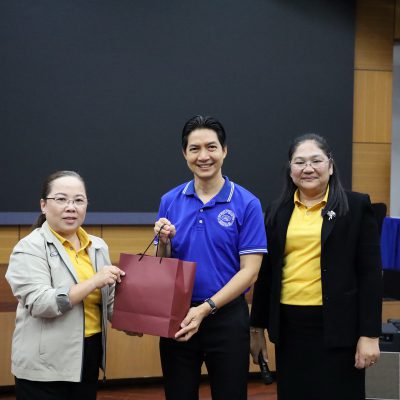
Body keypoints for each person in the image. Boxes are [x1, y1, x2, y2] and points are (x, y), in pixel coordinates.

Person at [250, 134, 382, 400]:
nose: (308, 168)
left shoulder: (356, 206)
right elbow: (266, 274)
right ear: (290, 170)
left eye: (316, 161)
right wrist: (257, 328)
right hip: (290, 328)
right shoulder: (277, 210)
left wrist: (370, 334)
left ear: (330, 166)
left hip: (339, 327)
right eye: (299, 162)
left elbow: (370, 274)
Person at [153, 115, 267, 400]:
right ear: (184, 153)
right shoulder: (170, 200)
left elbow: (250, 272)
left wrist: (206, 308)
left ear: (224, 151)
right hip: (178, 316)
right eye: (195, 149)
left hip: (227, 318)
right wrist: (163, 242)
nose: (203, 156)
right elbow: (162, 265)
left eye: (211, 147)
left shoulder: (247, 203)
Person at [5, 170, 125, 400]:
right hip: (44, 367)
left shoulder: (98, 246)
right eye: (61, 199)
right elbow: (41, 303)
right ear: (43, 205)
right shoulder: (29, 247)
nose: (71, 207)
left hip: (88, 357)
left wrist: (136, 323)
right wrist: (93, 282)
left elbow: (108, 302)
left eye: (79, 200)